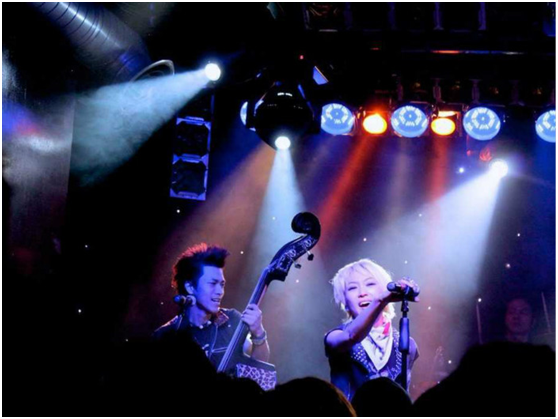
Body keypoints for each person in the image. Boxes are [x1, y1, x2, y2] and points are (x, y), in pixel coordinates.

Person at [153, 243, 270, 365]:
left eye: (222, 284)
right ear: (190, 287)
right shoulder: (165, 336)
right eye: (212, 284)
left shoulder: (232, 320)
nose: (220, 291)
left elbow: (259, 367)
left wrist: (258, 333)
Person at [325, 258, 419, 400]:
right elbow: (351, 336)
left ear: (385, 290)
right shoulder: (335, 336)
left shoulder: (407, 344)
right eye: (352, 288)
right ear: (345, 301)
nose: (362, 292)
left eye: (370, 284)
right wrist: (379, 300)